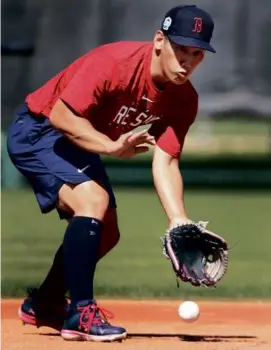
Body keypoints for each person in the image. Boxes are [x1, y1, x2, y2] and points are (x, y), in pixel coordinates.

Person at [7, 4, 216, 342]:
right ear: (159, 41)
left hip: (80, 142)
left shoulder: (183, 99)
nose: (188, 61)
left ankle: (44, 303)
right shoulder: (115, 64)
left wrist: (179, 219)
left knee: (106, 233)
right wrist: (109, 147)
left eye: (197, 53)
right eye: (180, 49)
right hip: (39, 131)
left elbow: (166, 161)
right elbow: (61, 117)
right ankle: (82, 313)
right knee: (94, 199)